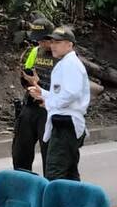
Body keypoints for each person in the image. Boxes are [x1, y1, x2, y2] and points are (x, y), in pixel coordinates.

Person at [28, 26, 91, 181]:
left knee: (55, 173)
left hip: (66, 125)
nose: (52, 45)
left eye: (58, 42)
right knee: (69, 173)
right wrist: (43, 93)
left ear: (69, 45)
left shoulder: (71, 64)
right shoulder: (65, 63)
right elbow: (62, 95)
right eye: (52, 42)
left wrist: (49, 103)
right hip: (64, 123)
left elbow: (71, 94)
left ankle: (56, 205)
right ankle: (75, 204)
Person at [12, 15, 56, 172]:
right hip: (31, 106)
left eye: (43, 40)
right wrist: (26, 79)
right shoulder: (35, 51)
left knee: (50, 156)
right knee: (20, 152)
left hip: (49, 108)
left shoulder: (62, 56)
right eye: (38, 40)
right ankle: (24, 185)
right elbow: (27, 74)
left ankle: (50, 190)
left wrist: (39, 84)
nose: (40, 43)